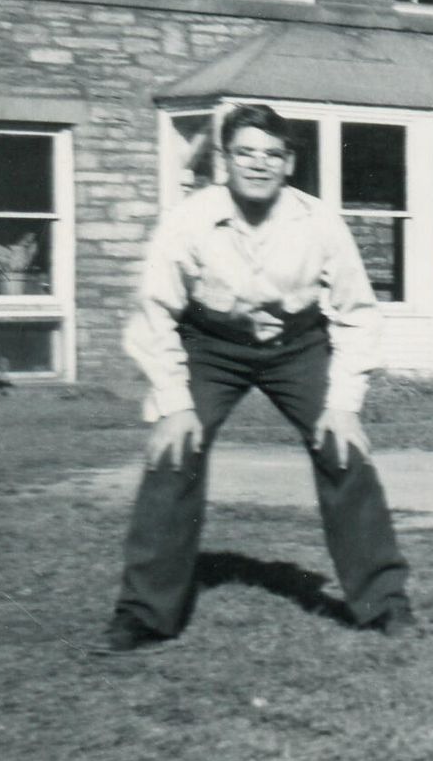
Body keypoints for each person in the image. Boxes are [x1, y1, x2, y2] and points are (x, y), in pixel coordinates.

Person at [94, 103, 413, 653]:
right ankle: (143, 613)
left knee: (343, 451)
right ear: (225, 160)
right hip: (211, 345)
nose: (259, 164)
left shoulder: (319, 222)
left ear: (289, 163)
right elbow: (154, 313)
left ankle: (384, 603)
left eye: (272, 154)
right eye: (245, 153)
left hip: (298, 344)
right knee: (174, 452)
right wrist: (175, 404)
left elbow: (358, 313)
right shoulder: (189, 220)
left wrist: (342, 405)